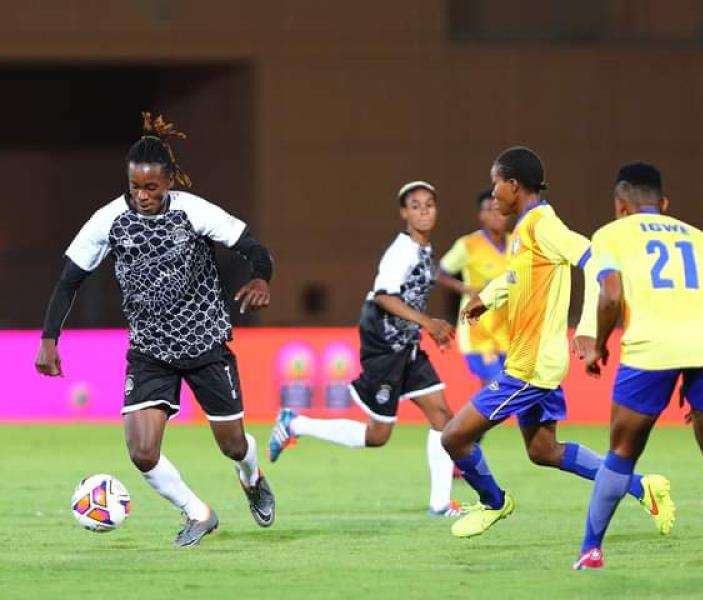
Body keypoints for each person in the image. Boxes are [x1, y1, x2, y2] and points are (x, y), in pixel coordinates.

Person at [34, 113, 276, 547]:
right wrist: (49, 338)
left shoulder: (193, 211)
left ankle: (251, 477)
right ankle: (198, 513)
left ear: (168, 182)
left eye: (151, 187)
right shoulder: (109, 220)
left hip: (205, 344)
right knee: (143, 452)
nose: (142, 196)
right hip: (150, 351)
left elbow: (252, 246)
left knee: (233, 445)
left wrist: (261, 277)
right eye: (135, 187)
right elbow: (70, 277)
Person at [441, 147, 675, 538]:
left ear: (514, 185)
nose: (493, 192)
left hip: (529, 367)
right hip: (536, 359)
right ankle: (641, 487)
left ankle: (493, 503)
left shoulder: (543, 225)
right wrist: (490, 295)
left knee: (454, 437)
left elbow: (592, 255)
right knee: (544, 451)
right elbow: (518, 279)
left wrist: (594, 315)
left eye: (496, 182)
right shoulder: (526, 229)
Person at [573, 162, 703, 572]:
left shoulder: (610, 234)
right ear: (663, 203)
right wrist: (692, 369)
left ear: (621, 204)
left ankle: (591, 549)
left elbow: (610, 294)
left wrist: (597, 346)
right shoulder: (699, 238)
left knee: (621, 453)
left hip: (651, 348)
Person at [269, 181, 462, 516]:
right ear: (404, 212)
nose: (423, 211)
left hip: (406, 344)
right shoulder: (401, 251)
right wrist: (428, 323)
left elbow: (427, 279)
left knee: (442, 416)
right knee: (378, 435)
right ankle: (295, 423)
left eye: (429, 204)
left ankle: (441, 504)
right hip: (385, 345)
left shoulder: (424, 251)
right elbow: (384, 295)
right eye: (415, 205)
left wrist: (465, 289)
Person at [438, 189, 510, 386]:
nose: (497, 215)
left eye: (500, 209)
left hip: (509, 331)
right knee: (495, 386)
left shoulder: (517, 244)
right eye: (490, 210)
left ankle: (475, 417)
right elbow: (439, 273)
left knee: (504, 394)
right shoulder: (469, 244)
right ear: (481, 216)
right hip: (478, 331)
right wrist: (467, 289)